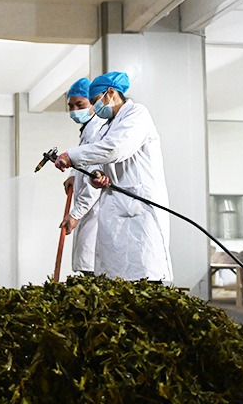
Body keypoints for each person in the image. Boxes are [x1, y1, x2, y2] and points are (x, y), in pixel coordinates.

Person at [54, 71, 173, 282]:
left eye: (94, 101)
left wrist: (70, 156)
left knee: (144, 272)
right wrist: (97, 176)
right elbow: (102, 165)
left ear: (110, 93)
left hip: (140, 207)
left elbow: (115, 149)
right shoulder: (108, 126)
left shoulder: (137, 114)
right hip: (116, 209)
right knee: (116, 276)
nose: (95, 108)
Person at [60, 77, 105, 276]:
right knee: (87, 268)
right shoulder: (88, 129)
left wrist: (75, 214)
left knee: (93, 272)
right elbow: (83, 159)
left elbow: (94, 179)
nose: (75, 110)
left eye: (80, 104)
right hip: (88, 212)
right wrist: (73, 174)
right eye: (71, 106)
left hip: (94, 212)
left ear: (93, 104)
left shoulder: (96, 129)